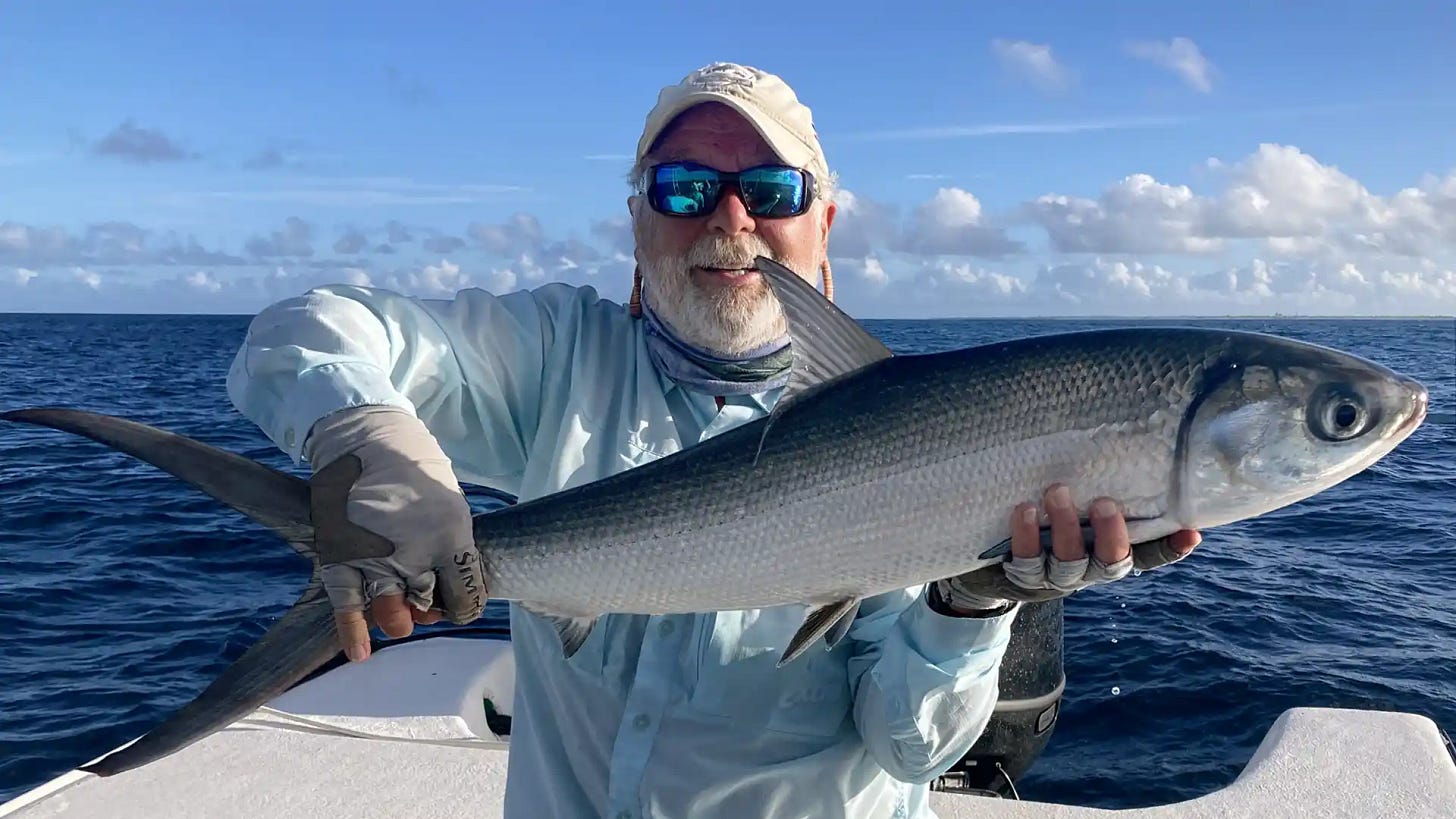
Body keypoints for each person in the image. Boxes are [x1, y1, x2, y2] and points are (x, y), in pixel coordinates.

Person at [226, 61, 1200, 819]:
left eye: (770, 189)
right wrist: (369, 432)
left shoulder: (936, 439)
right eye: (685, 187)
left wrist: (968, 603)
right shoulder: (556, 357)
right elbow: (303, 333)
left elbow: (908, 752)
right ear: (638, 220)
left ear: (824, 222)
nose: (729, 217)